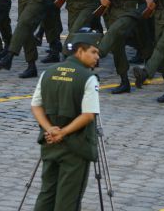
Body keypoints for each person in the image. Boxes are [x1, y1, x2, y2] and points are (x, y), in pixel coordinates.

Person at [30, 31, 101, 210]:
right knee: (68, 199)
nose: (97, 57)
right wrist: (63, 132)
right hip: (75, 147)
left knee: (47, 193)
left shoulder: (48, 72)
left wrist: (50, 129)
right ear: (80, 51)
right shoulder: (88, 78)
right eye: (93, 52)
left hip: (50, 142)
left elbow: (36, 106)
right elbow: (88, 115)